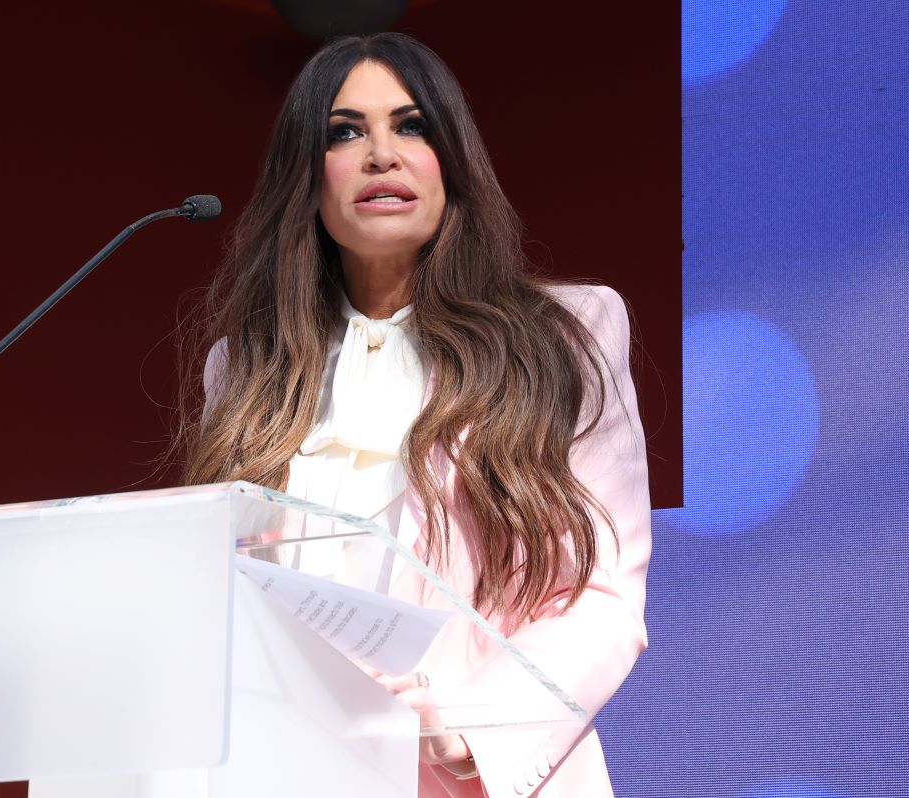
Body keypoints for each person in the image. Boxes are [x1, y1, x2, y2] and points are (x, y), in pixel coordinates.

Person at [181, 33, 651, 798]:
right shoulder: (245, 368)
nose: (381, 155)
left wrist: (469, 727)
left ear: (452, 160)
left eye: (411, 126)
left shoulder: (566, 337)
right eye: (344, 132)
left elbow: (599, 601)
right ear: (306, 176)